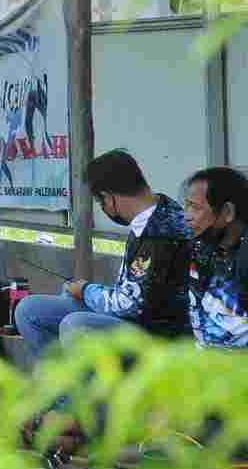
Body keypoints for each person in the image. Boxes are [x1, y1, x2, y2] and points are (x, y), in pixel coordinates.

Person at [15, 150, 191, 359]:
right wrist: (82, 292)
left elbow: (130, 305)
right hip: (132, 317)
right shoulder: (159, 209)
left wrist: (86, 291)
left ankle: (87, 390)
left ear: (108, 198)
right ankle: (61, 388)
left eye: (102, 203)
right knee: (30, 310)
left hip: (156, 332)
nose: (104, 208)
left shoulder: (159, 234)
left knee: (76, 326)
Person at [183, 166, 248, 349]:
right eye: (186, 205)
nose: (186, 216)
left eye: (194, 207)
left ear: (227, 212)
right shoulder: (202, 248)